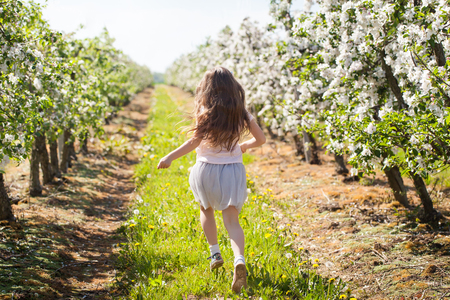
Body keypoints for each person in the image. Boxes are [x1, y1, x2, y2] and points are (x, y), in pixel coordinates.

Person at [157, 66, 266, 293]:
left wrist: (169, 157)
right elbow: (261, 139)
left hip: (206, 170)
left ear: (208, 89)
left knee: (205, 209)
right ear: (233, 87)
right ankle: (239, 260)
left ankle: (215, 252)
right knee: (232, 221)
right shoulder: (241, 113)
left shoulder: (205, 111)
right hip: (233, 171)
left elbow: (193, 143)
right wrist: (244, 145)